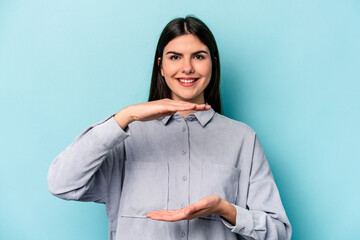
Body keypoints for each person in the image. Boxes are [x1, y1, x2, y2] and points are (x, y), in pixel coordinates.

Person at [47, 16, 292, 240]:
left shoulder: (243, 138)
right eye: (175, 57)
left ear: (212, 64)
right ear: (161, 66)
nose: (187, 68)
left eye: (199, 56)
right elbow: (61, 184)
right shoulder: (125, 136)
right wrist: (126, 116)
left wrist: (225, 209)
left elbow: (279, 232)